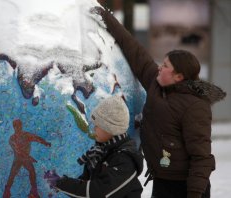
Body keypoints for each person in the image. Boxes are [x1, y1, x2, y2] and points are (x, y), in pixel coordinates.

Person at [92, 3, 227, 198]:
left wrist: (195, 193)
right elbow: (135, 51)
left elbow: (201, 157)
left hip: (186, 187)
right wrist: (107, 17)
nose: (160, 68)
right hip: (162, 180)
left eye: (165, 66)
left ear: (179, 76)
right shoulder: (156, 85)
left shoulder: (195, 106)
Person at [54, 95, 144, 198]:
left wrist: (63, 184)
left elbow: (99, 192)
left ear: (110, 129)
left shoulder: (125, 160)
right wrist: (61, 183)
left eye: (97, 125)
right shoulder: (99, 151)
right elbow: (86, 182)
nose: (94, 128)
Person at [3, 119, 51, 198]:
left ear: (21, 126)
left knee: (32, 171)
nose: (18, 127)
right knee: (12, 174)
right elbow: (18, 150)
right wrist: (29, 157)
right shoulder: (12, 139)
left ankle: (33, 191)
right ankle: (7, 192)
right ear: (14, 127)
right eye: (16, 126)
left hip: (25, 159)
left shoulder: (26, 135)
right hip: (18, 159)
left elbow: (36, 138)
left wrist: (45, 142)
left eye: (19, 125)